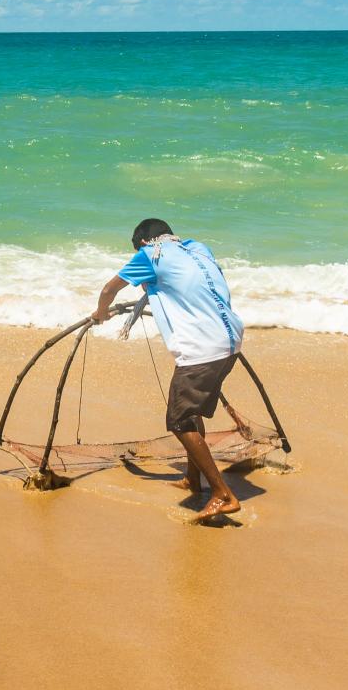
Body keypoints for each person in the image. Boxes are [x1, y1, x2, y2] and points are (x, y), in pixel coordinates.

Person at [91, 218, 246, 520]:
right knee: (192, 414)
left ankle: (222, 494)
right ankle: (193, 479)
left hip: (203, 348)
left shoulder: (150, 255)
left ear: (144, 242)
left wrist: (101, 314)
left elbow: (110, 289)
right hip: (231, 339)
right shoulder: (199, 248)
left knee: (178, 421)